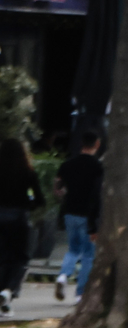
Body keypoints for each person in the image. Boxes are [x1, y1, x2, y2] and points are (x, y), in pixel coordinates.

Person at [0, 135, 41, 317]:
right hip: (19, 217)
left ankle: (3, 298)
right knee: (22, 258)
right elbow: (38, 198)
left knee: (3, 258)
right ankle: (10, 290)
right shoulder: (28, 173)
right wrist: (30, 203)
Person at [56, 128, 102, 303]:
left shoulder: (68, 164)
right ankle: (80, 293)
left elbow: (58, 188)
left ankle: (63, 276)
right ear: (97, 144)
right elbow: (98, 194)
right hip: (88, 214)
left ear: (81, 144)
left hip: (70, 212)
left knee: (73, 249)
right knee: (88, 255)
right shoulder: (98, 167)